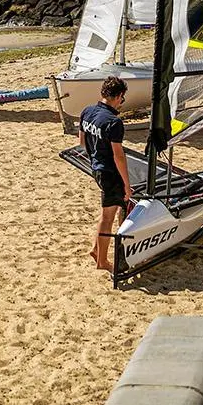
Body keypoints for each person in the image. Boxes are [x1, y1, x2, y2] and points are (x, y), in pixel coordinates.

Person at [78, 76, 133, 271]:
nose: (121, 103)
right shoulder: (113, 122)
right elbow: (119, 156)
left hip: (97, 168)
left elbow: (82, 142)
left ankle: (96, 249)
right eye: (122, 99)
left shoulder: (87, 111)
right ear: (118, 96)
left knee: (108, 214)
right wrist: (127, 184)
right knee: (108, 217)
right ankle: (102, 261)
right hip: (110, 173)